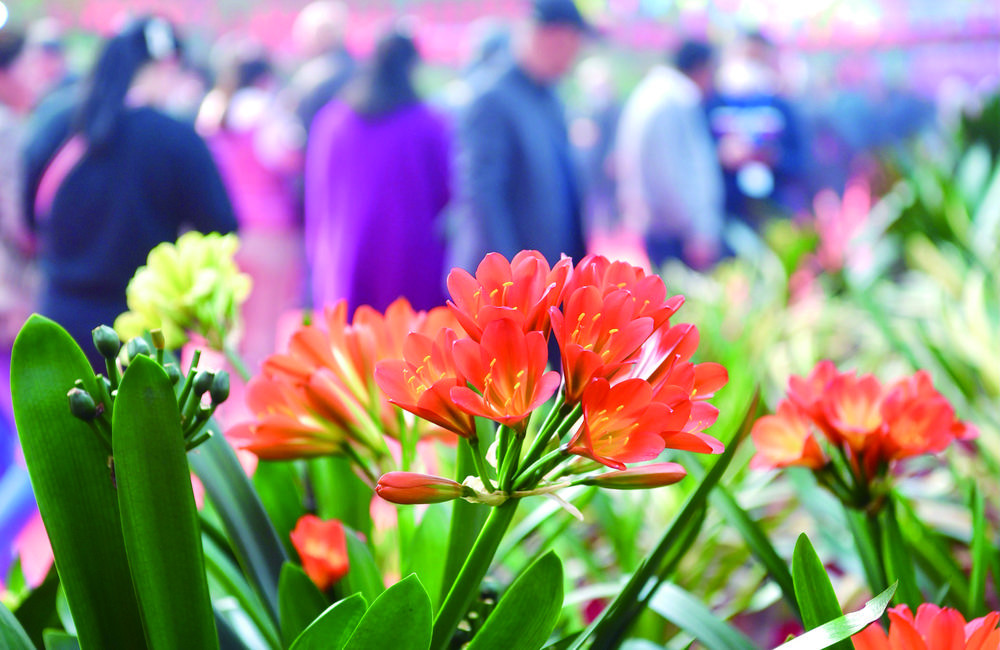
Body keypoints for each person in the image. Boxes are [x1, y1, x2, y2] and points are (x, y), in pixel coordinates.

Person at [22, 16, 237, 368]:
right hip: (144, 331)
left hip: (57, 318)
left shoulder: (56, 120)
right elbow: (220, 227)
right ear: (165, 66)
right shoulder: (177, 138)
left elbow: (29, 218)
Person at [305, 25, 451, 313]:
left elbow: (316, 194)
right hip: (410, 257)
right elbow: (446, 192)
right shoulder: (428, 124)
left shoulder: (333, 121)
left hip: (346, 253)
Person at [448, 0, 592, 271]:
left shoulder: (549, 96)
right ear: (549, 37)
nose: (574, 55)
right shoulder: (492, 98)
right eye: (571, 43)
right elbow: (482, 197)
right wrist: (514, 278)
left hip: (544, 275)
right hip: (506, 290)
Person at [198, 44, 306, 369]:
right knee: (264, 327)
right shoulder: (268, 113)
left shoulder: (212, 111)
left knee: (226, 328)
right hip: (271, 232)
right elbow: (289, 158)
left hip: (225, 231)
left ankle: (217, 405)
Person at [615, 39, 724, 269]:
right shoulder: (676, 98)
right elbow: (673, 173)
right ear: (702, 68)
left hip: (659, 225)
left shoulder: (650, 92)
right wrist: (698, 231)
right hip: (677, 232)